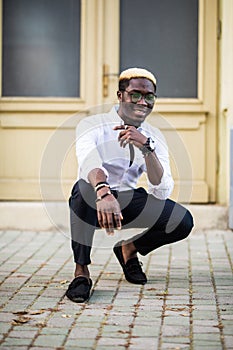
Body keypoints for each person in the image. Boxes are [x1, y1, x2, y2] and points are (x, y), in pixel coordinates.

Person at [66, 67, 194, 303]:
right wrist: (104, 192)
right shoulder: (92, 124)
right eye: (135, 94)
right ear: (120, 95)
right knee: (82, 189)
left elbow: (162, 189)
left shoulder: (153, 135)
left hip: (128, 200)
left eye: (149, 97)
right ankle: (81, 273)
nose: (142, 102)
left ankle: (128, 249)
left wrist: (146, 147)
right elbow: (88, 162)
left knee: (182, 220)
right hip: (95, 199)